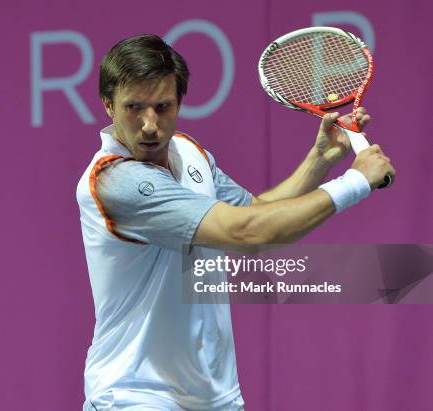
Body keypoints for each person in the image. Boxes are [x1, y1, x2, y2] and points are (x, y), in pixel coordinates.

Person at [76, 34, 395, 411]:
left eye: (162, 106)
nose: (149, 125)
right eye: (134, 107)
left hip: (214, 395)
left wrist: (320, 159)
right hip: (135, 394)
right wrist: (355, 182)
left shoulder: (189, 152)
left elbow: (254, 210)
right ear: (108, 106)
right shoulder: (116, 181)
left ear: (179, 103)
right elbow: (248, 234)